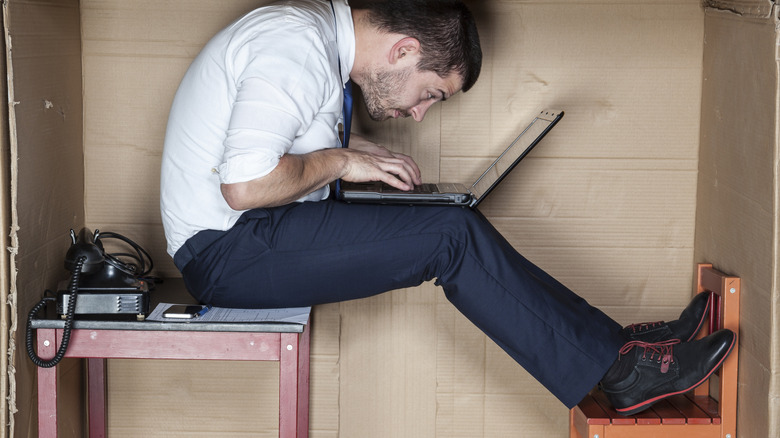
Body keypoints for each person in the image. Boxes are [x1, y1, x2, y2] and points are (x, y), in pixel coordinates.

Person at [160, 0, 734, 416]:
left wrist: (355, 152)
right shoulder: (296, 46)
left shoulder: (310, 40)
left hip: (254, 235)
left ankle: (622, 348)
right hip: (229, 249)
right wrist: (340, 163)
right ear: (404, 50)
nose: (419, 115)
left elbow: (265, 138)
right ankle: (620, 373)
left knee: (453, 225)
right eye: (431, 92)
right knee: (451, 235)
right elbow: (245, 185)